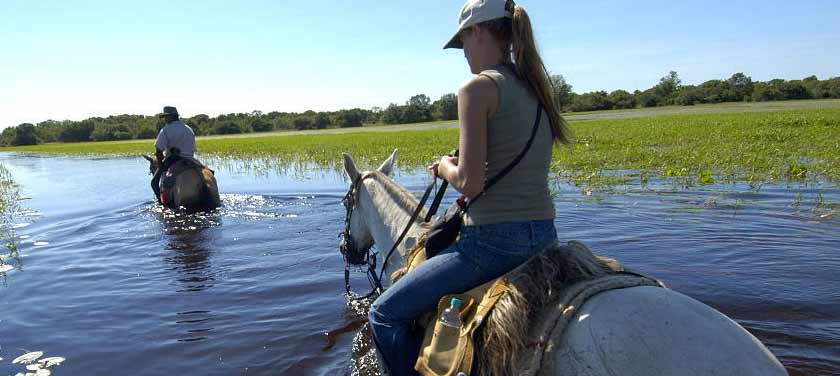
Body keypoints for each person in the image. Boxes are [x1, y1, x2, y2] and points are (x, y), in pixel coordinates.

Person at [367, 0, 572, 374]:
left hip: (491, 244)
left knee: (383, 313)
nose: (463, 55)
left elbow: (470, 183)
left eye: (462, 43)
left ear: (477, 32)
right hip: (544, 236)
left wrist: (446, 166)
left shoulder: (477, 88)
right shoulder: (536, 88)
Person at [151, 106, 196, 203]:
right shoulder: (188, 129)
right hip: (191, 160)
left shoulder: (166, 130)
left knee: (154, 183)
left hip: (173, 160)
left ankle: (162, 204)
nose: (164, 119)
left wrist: (161, 165)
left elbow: (159, 151)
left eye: (165, 117)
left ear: (171, 116)